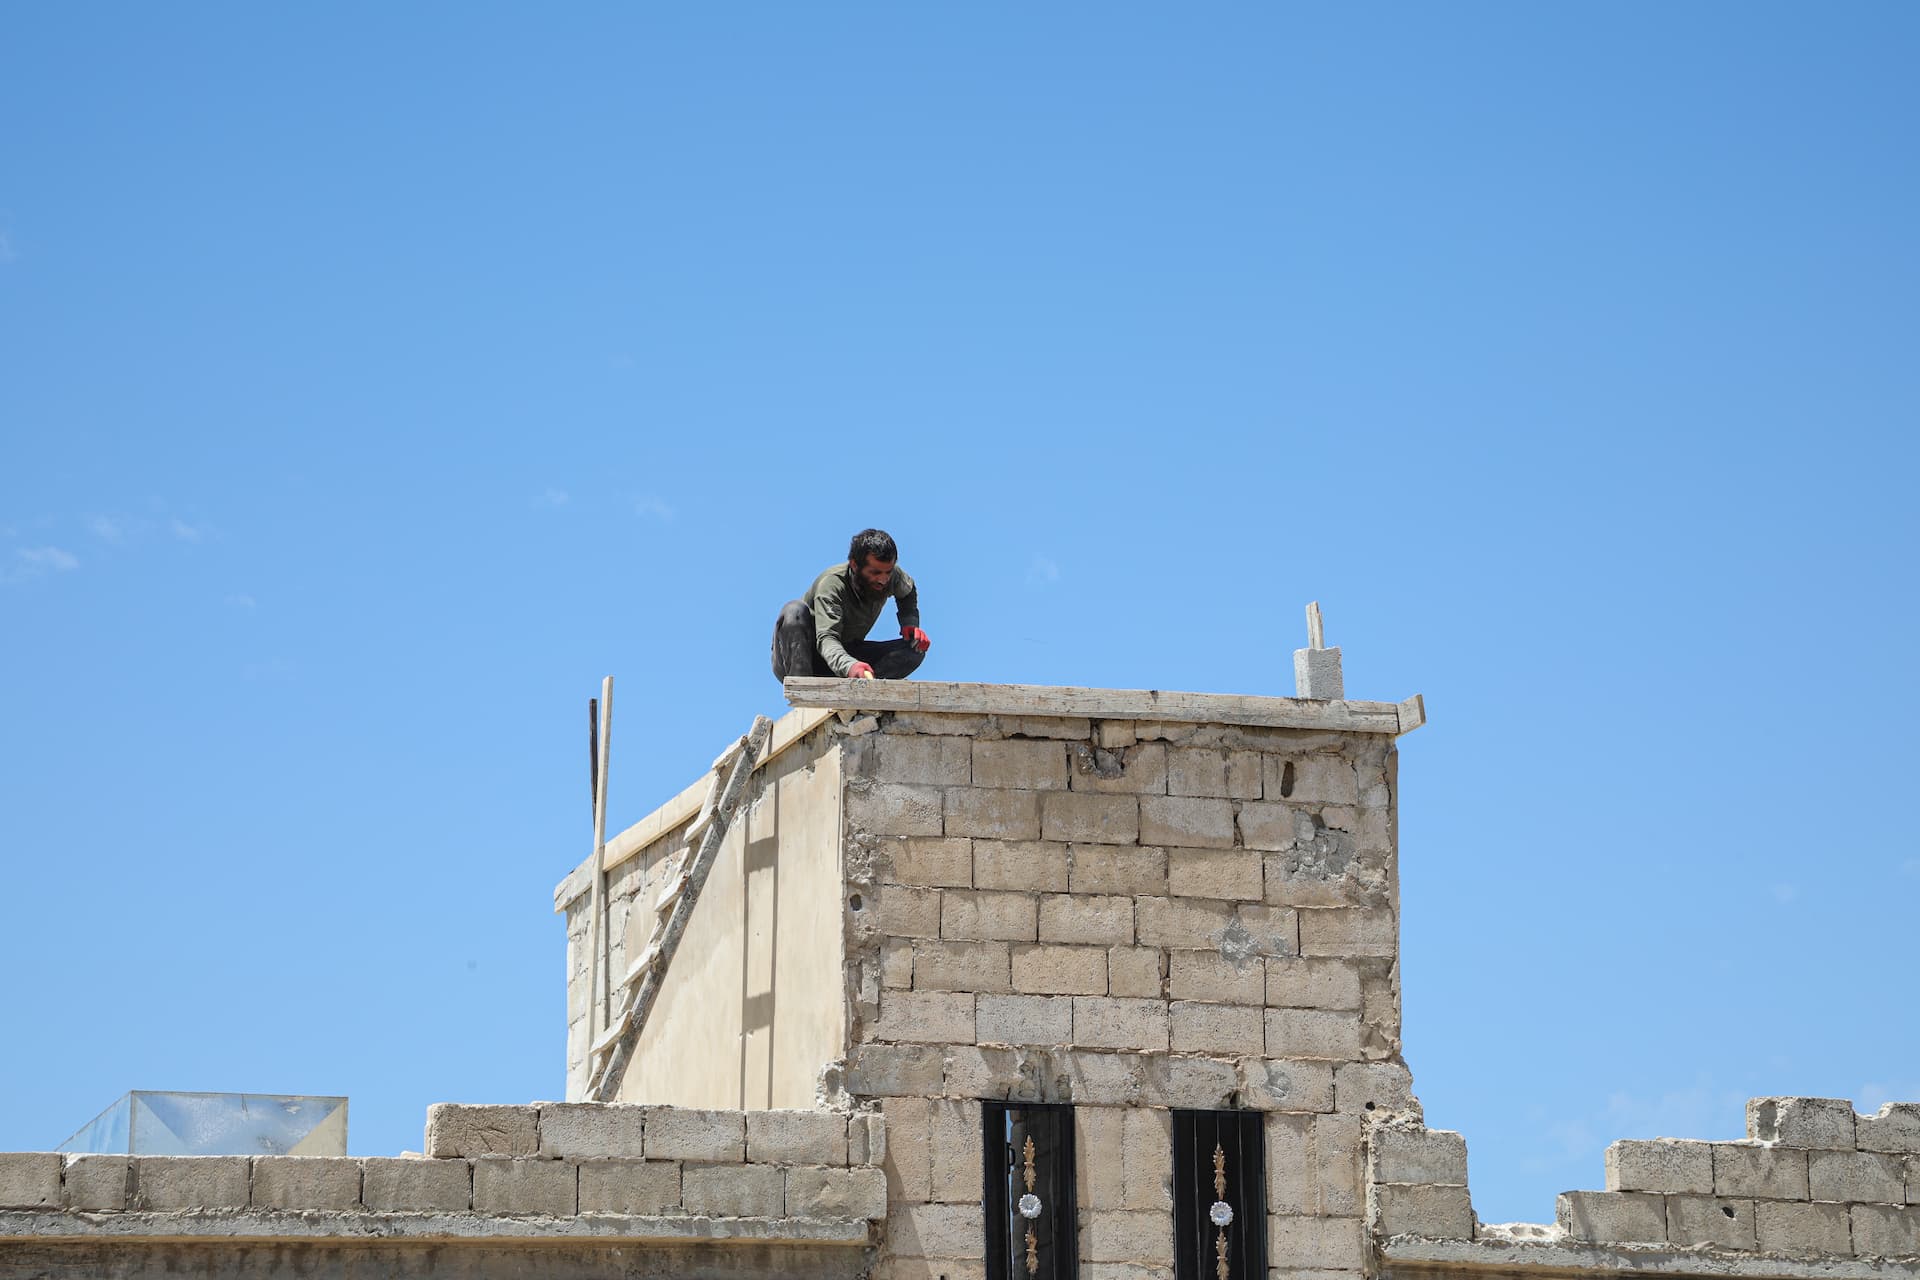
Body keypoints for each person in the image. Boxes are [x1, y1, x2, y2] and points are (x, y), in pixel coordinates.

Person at [772, 529, 931, 681]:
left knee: (914, 650)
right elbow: (827, 639)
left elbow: (908, 592)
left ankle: (864, 688)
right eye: (875, 573)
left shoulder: (892, 577)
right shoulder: (832, 584)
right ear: (855, 565)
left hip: (847, 653)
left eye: (887, 572)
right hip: (808, 657)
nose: (883, 580)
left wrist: (909, 624)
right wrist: (849, 666)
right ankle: (804, 694)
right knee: (794, 611)